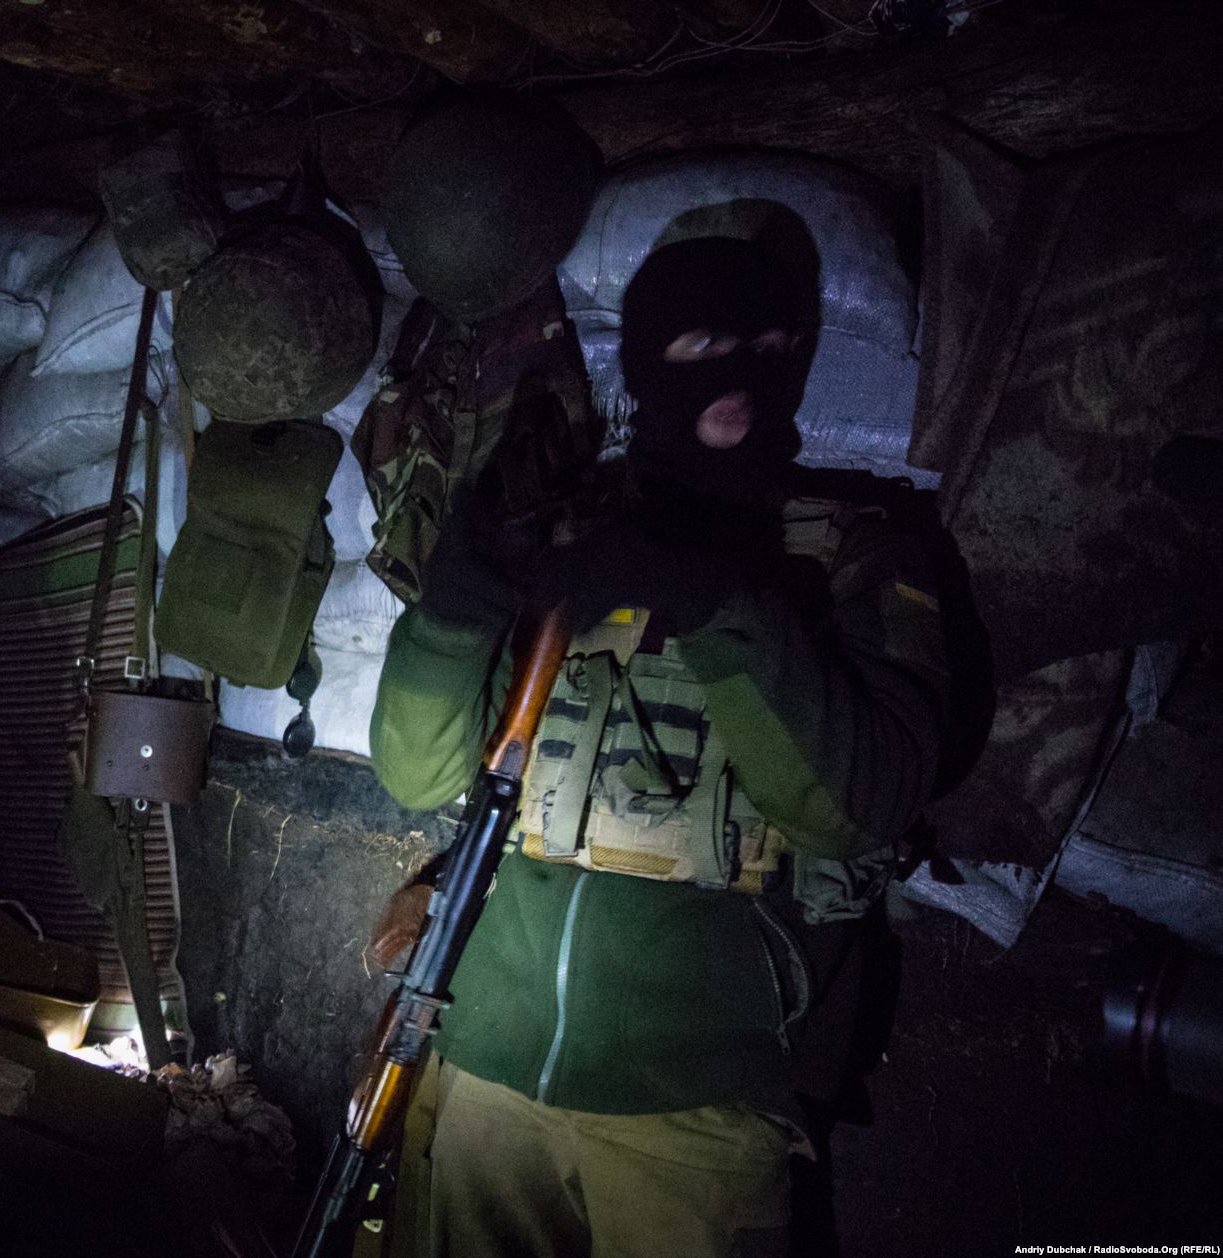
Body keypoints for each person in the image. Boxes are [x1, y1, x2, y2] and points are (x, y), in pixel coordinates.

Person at [367, 231, 955, 1258]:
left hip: (698, 1104)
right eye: (700, 345)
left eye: (769, 343)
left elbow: (860, 800)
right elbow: (415, 770)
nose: (737, 375)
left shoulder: (854, 554)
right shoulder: (559, 531)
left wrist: (716, 603)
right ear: (643, 365)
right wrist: (459, 601)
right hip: (485, 1061)